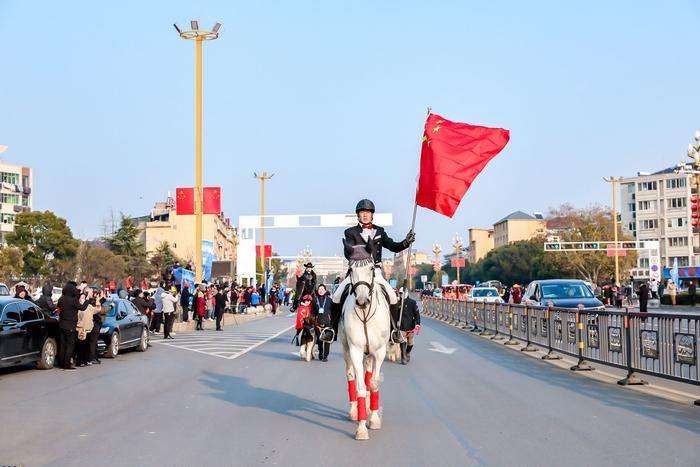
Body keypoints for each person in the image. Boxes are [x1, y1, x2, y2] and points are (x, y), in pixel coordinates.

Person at [329, 199, 415, 342]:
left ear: (372, 215)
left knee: (393, 297)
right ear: (358, 215)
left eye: (367, 212)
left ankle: (394, 331)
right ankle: (331, 329)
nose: (365, 215)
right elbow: (347, 252)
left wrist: (406, 242)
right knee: (337, 295)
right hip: (357, 271)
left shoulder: (380, 231)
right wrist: (349, 251)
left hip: (375, 271)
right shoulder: (350, 232)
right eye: (362, 213)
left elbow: (393, 246)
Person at [57, 281, 90, 371]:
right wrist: (87, 300)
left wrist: (79, 292)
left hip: (61, 324)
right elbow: (82, 307)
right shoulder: (73, 300)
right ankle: (67, 365)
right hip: (70, 324)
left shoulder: (61, 299)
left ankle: (62, 364)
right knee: (70, 345)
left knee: (63, 345)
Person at [391, 288, 421, 364]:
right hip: (401, 326)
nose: (401, 294)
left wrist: (418, 323)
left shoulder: (412, 303)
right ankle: (403, 357)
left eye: (403, 293)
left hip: (410, 326)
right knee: (402, 341)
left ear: (407, 293)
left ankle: (407, 352)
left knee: (410, 343)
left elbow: (417, 314)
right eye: (400, 293)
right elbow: (394, 315)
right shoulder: (398, 303)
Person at [75, 288, 97, 366]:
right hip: (81, 329)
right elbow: (79, 316)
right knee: (81, 346)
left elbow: (97, 309)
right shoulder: (78, 306)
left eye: (84, 298)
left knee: (87, 345)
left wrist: (99, 300)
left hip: (88, 329)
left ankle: (86, 360)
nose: (83, 299)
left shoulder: (89, 306)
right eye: (82, 298)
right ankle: (80, 361)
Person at [311, 284, 332, 361]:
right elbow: (312, 313)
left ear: (325, 290)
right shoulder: (314, 300)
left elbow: (333, 312)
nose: (321, 290)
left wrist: (332, 322)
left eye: (322, 289)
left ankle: (325, 356)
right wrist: (313, 321)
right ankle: (320, 353)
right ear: (317, 290)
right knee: (320, 340)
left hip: (328, 322)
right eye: (319, 289)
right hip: (318, 323)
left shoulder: (329, 300)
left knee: (327, 340)